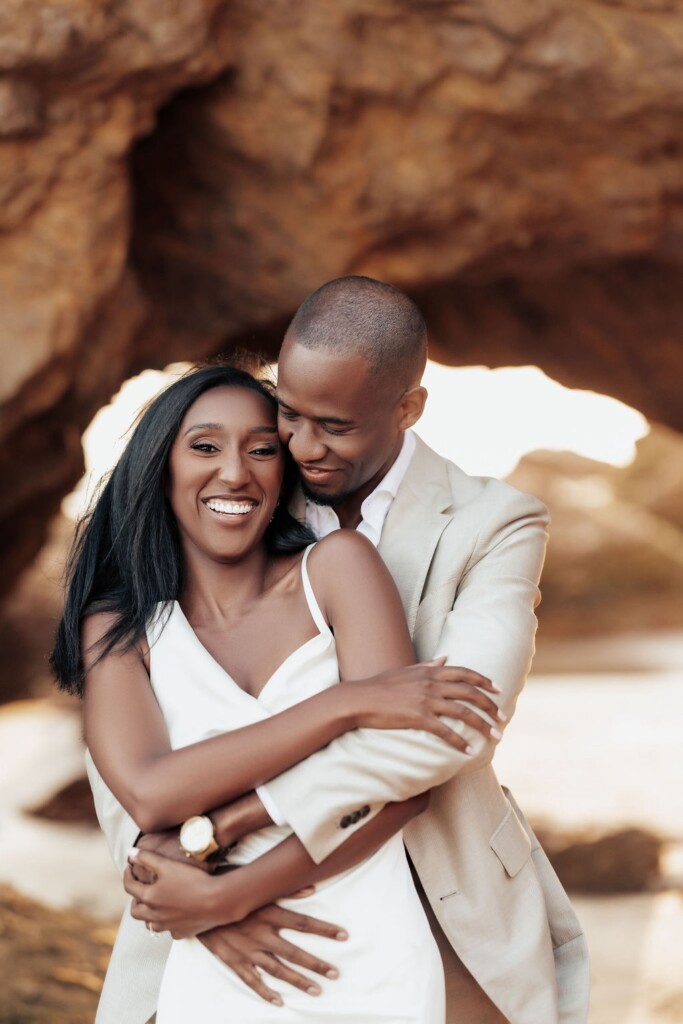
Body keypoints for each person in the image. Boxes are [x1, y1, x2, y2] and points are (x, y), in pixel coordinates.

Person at [87, 278, 590, 1023]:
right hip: (204, 899)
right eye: (286, 415)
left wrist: (226, 846)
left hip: (435, 881)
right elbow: (132, 749)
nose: (298, 446)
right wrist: (193, 889)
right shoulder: (245, 482)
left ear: (406, 408)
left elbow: (448, 729)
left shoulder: (493, 522)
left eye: (334, 426)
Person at [52, 363, 507, 1023]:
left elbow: (403, 789)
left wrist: (230, 897)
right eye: (204, 446)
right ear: (159, 465)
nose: (235, 472)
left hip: (365, 944)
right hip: (219, 961)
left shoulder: (339, 568)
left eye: (262, 449)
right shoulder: (121, 625)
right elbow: (150, 793)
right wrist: (343, 705)